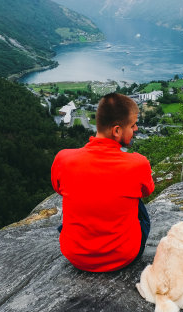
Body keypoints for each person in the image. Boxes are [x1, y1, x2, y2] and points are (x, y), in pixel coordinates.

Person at [51, 92, 154, 272]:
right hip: (124, 257)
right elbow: (147, 192)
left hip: (75, 256)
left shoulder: (63, 159)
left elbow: (59, 189)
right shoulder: (138, 164)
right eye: (132, 125)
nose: (136, 129)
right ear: (116, 130)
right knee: (137, 201)